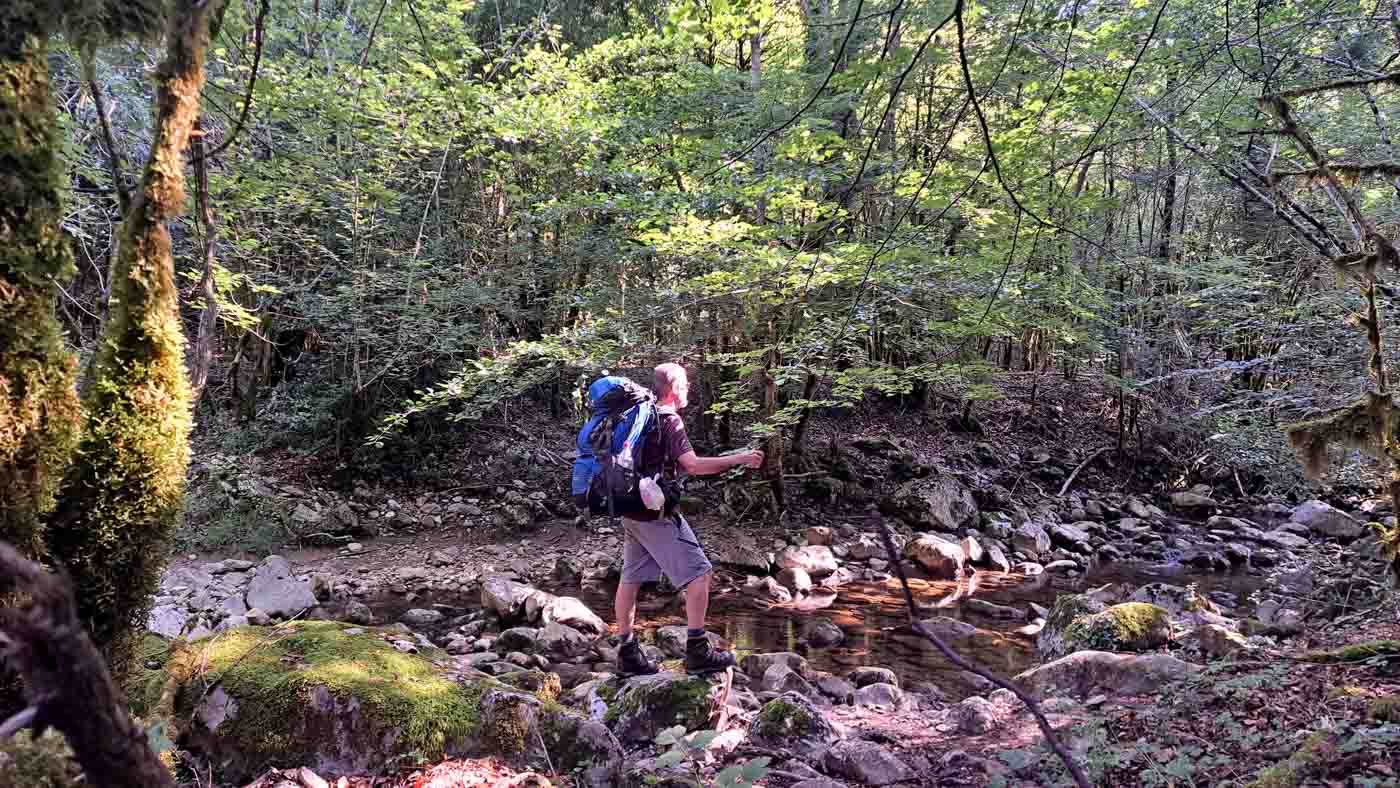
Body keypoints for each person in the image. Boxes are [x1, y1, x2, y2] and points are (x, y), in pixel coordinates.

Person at [615, 362, 764, 676]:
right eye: (685, 385)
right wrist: (740, 458)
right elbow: (693, 465)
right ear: (672, 388)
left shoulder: (638, 416)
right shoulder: (669, 420)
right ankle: (697, 651)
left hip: (629, 509)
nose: (688, 390)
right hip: (655, 514)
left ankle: (627, 653)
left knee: (630, 580)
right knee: (700, 574)